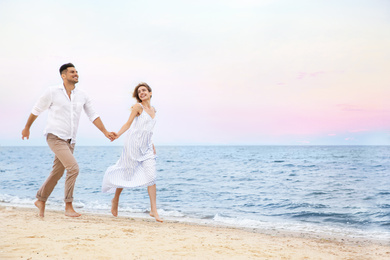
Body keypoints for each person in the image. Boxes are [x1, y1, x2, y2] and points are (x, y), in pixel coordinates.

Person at [21, 63, 115, 218]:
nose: (76, 74)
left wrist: (105, 132)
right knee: (73, 168)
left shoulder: (82, 95)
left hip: (70, 141)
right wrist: (27, 127)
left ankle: (41, 199)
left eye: (77, 71)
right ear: (63, 75)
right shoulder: (52, 92)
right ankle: (68, 206)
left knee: (57, 173)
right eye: (72, 72)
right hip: (54, 136)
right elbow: (36, 110)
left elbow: (93, 115)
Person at [102, 82, 162, 222]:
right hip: (133, 145)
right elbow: (128, 124)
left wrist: (152, 143)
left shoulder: (154, 110)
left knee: (151, 177)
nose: (142, 93)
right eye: (139, 92)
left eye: (144, 90)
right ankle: (115, 199)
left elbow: (149, 129)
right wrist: (117, 134)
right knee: (127, 173)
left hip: (146, 147)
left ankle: (154, 210)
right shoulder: (138, 107)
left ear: (150, 92)